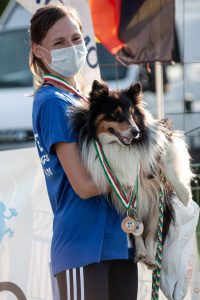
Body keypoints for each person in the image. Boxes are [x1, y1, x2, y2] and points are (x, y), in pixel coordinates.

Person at [29, 4, 138, 300]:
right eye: (59, 43)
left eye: (76, 39)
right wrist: (136, 175)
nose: (71, 47)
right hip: (82, 246)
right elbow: (84, 185)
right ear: (38, 51)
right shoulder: (52, 100)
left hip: (118, 241)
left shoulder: (85, 99)